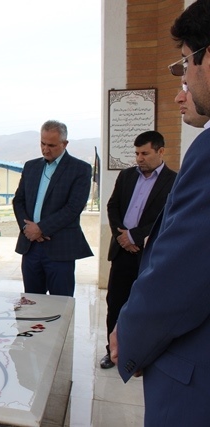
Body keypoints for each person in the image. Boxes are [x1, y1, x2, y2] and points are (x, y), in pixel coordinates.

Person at [110, 2, 210, 424]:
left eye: (186, 63)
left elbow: (183, 274)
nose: (181, 86)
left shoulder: (206, 152)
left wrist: (130, 337)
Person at [99, 131, 176, 370]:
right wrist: (121, 237)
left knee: (144, 307)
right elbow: (112, 207)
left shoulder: (174, 181)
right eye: (137, 153)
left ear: (160, 151)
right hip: (122, 253)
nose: (139, 158)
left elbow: (166, 217)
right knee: (115, 303)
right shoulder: (126, 176)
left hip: (148, 255)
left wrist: (134, 236)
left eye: (145, 153)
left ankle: (138, 355)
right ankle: (112, 352)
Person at [12, 120, 93, 297]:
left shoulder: (80, 169)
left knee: (60, 305)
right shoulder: (31, 167)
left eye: (51, 145)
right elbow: (18, 201)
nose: (45, 149)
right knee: (32, 302)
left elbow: (73, 208)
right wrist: (27, 228)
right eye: (42, 143)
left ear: (65, 144)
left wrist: (41, 228)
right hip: (31, 246)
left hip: (60, 249)